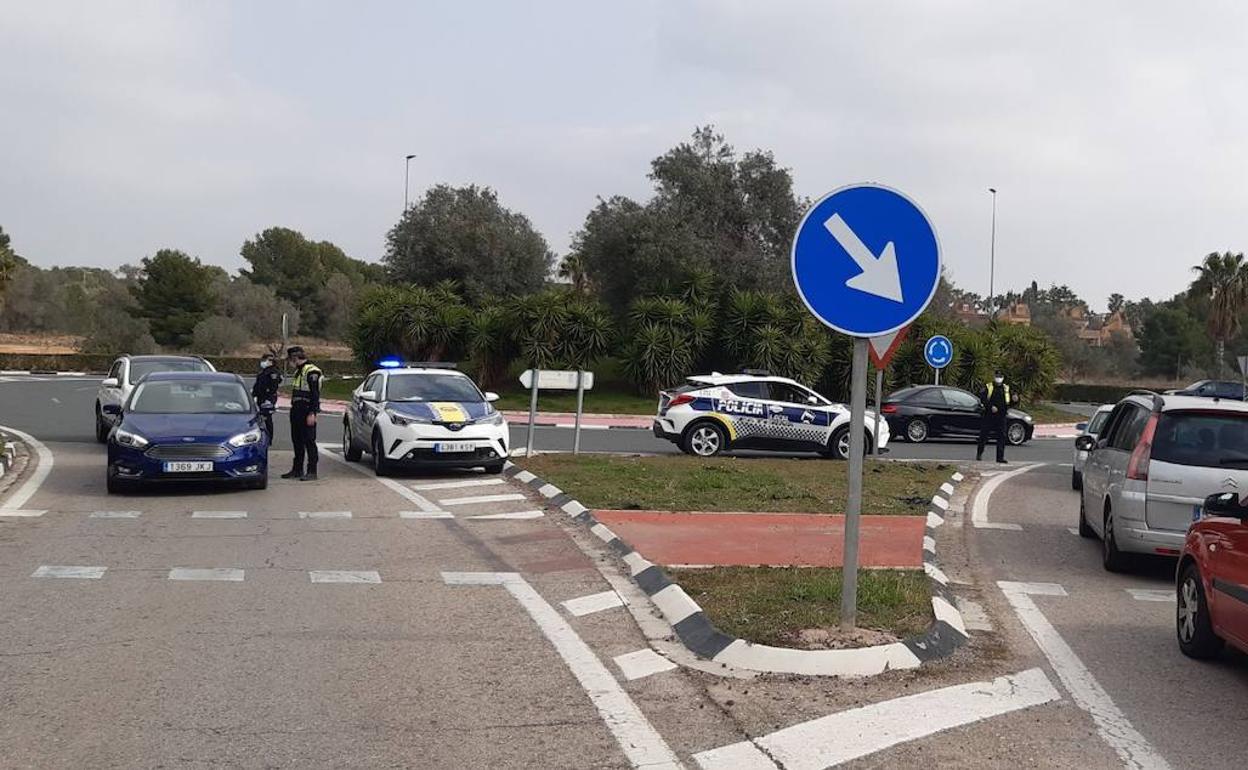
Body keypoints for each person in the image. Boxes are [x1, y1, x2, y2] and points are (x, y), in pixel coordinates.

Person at [282, 346, 321, 481]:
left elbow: (315, 395)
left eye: (290, 360)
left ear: (295, 358)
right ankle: (297, 469)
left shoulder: (312, 371)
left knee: (309, 441)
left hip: (306, 411)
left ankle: (312, 471)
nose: (289, 363)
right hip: (297, 410)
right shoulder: (299, 371)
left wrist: (312, 413)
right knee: (297, 441)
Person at [977, 373, 1014, 464]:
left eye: (1000, 377)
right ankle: (979, 453)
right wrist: (990, 407)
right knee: (984, 435)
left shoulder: (1006, 388)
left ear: (1003, 378)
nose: (998, 379)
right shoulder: (988, 387)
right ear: (994, 377)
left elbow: (1010, 401)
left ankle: (1000, 457)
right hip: (989, 415)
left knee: (1001, 437)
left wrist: (1015, 400)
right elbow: (982, 398)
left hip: (1001, 416)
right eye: (997, 377)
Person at [251, 352, 282, 440]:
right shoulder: (263, 372)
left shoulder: (273, 372)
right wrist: (253, 395)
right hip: (261, 397)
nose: (264, 362)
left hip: (268, 398)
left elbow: (273, 386)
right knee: (261, 417)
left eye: (266, 360)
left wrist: (269, 398)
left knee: (267, 418)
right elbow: (258, 385)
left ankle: (269, 438)